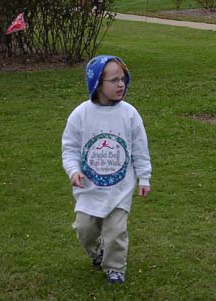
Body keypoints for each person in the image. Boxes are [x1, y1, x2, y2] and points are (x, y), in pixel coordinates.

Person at [62, 55, 152, 284]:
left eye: (122, 79)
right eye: (113, 80)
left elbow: (140, 149)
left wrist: (144, 178)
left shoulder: (129, 114)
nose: (121, 84)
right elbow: (70, 148)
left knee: (115, 232)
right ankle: (97, 253)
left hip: (120, 189)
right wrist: (73, 171)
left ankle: (115, 267)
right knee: (85, 229)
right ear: (97, 84)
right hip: (89, 189)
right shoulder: (81, 114)